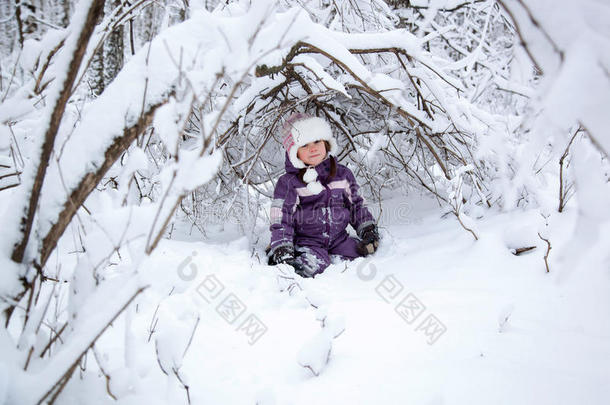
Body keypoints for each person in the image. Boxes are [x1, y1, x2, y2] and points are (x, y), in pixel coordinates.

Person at [268, 113, 379, 278]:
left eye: (317, 142)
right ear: (294, 152)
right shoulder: (289, 183)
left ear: (326, 143)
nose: (313, 148)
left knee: (357, 255)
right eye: (304, 145)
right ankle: (287, 261)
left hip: (338, 239)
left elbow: (356, 205)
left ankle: (335, 260)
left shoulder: (342, 174)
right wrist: (282, 244)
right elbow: (281, 218)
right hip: (307, 241)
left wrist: (367, 228)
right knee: (314, 265)